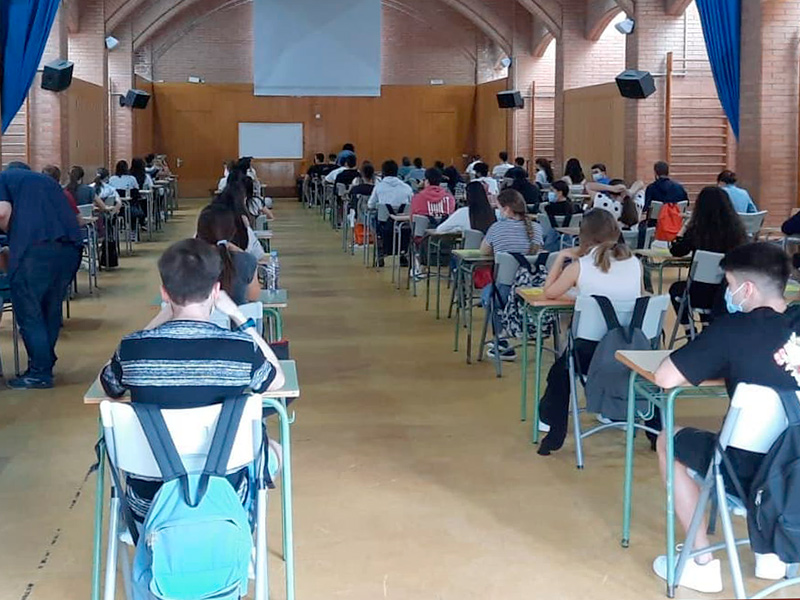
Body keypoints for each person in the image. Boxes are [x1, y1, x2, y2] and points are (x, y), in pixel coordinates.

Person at [100, 238, 284, 519]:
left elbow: (109, 385)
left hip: (149, 506)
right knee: (275, 451)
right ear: (215, 291)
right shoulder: (239, 349)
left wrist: (158, 320)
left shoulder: (133, 349)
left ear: (164, 292)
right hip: (227, 499)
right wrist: (237, 314)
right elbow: (278, 380)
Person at [651, 243, 798, 593]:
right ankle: (774, 556)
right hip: (795, 467)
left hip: (750, 472)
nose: (729, 294)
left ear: (746, 289)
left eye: (730, 285)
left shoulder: (732, 329)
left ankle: (701, 561)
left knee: (667, 441)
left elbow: (664, 378)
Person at [537, 209, 642, 453]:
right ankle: (614, 410)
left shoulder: (580, 266)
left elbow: (549, 292)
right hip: (631, 352)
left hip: (590, 354)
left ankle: (549, 418)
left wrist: (563, 256)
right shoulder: (634, 262)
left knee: (560, 369)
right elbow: (637, 298)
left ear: (583, 236)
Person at [0, 163, 83, 389]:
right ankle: (44, 361)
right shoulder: (48, 183)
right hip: (70, 249)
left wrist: (12, 235)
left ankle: (39, 372)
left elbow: (2, 212)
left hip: (35, 250)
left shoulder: (3, 178)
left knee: (30, 313)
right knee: (50, 307)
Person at [668, 186, 748, 331]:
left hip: (697, 293)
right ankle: (707, 326)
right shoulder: (737, 233)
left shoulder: (697, 231)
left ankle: (689, 329)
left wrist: (684, 228)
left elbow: (676, 250)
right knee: (710, 285)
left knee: (677, 289)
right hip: (726, 293)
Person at [479, 189, 544, 361]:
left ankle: (501, 339)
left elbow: (483, 251)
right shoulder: (536, 229)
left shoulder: (497, 228)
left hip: (505, 290)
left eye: (499, 208)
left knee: (488, 295)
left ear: (507, 209)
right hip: (533, 290)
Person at [196, 204, 260, 305]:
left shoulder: (188, 261)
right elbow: (253, 296)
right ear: (232, 231)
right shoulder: (247, 260)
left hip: (200, 320)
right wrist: (243, 254)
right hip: (236, 320)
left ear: (199, 232)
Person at [368, 160, 413, 265]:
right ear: (397, 172)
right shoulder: (407, 188)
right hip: (403, 225)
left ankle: (380, 252)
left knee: (373, 219)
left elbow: (370, 205)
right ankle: (404, 253)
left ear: (383, 173)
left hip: (384, 224)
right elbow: (412, 205)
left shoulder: (379, 187)